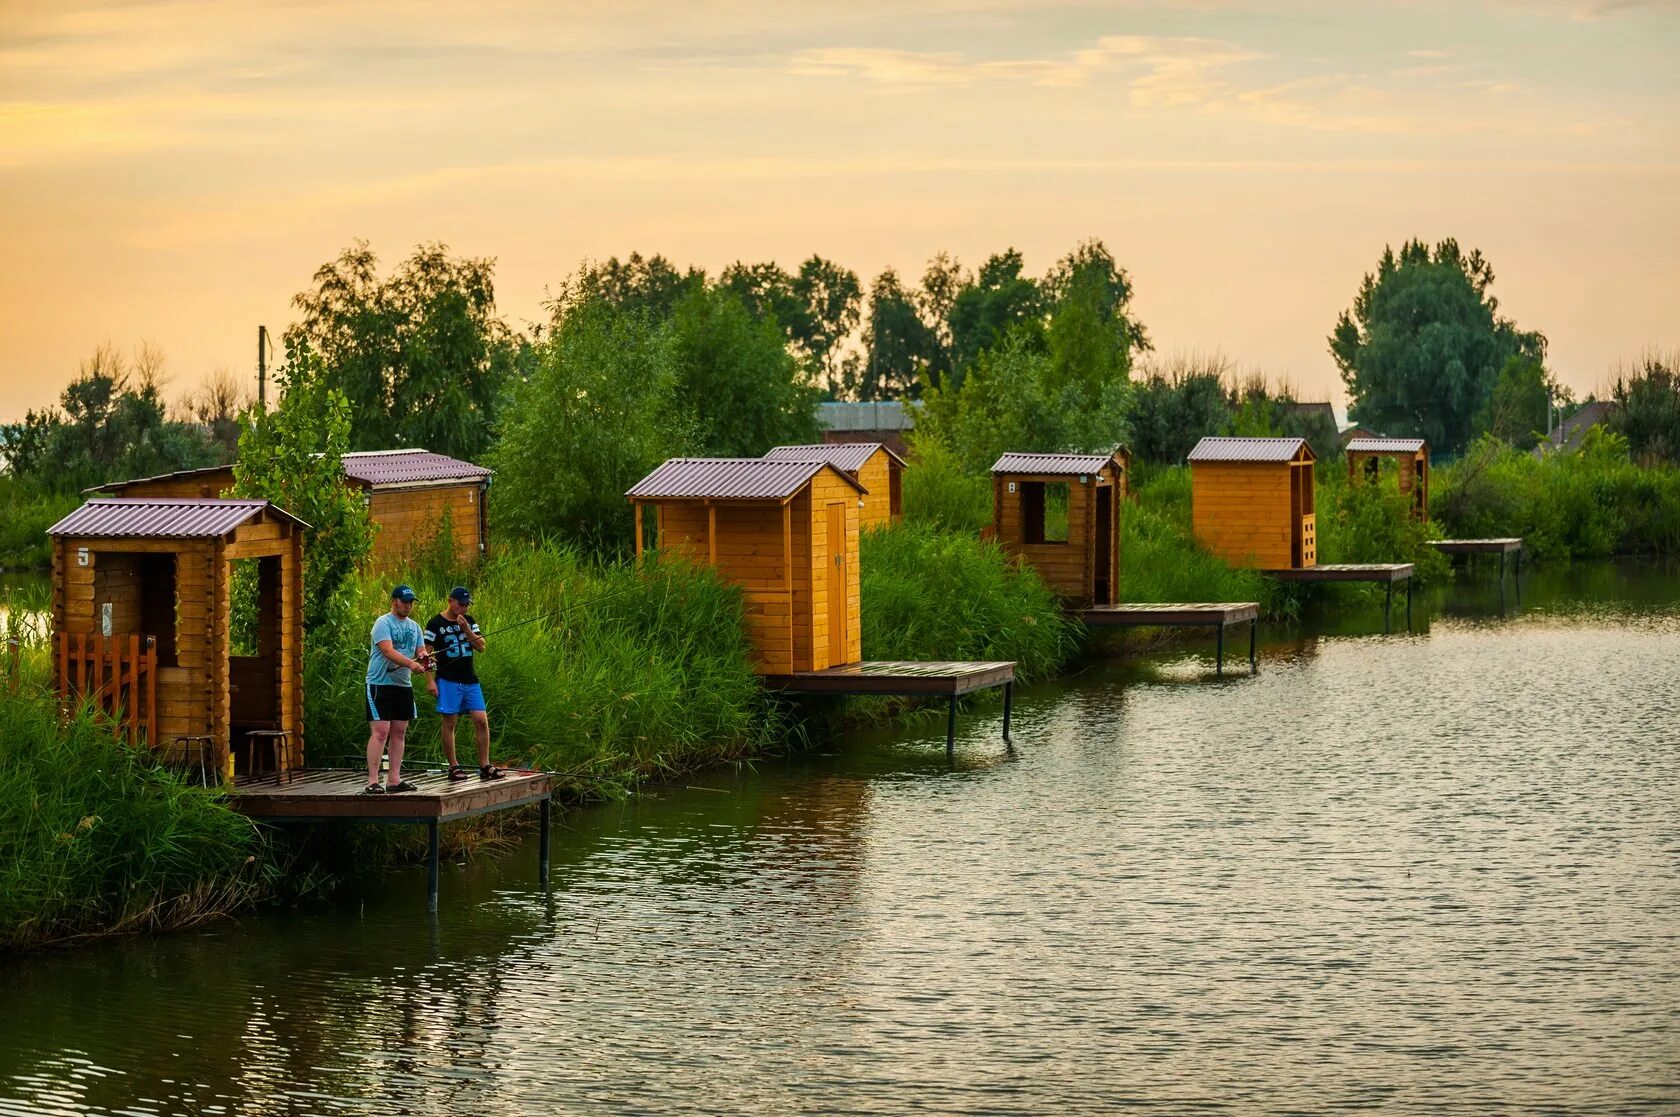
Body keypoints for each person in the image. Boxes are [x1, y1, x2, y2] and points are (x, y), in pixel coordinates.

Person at [424, 586, 504, 781]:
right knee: (450, 722)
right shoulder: (435, 623)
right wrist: (430, 681)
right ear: (450, 601)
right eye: (461, 604)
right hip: (447, 679)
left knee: (481, 720)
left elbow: (481, 646)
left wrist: (466, 629)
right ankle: (453, 766)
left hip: (470, 679)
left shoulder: (469, 621)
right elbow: (424, 655)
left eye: (467, 605)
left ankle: (485, 765)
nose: (464, 608)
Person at [364, 584, 431, 794]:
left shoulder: (415, 627)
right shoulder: (383, 623)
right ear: (394, 601)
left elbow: (420, 650)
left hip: (403, 685)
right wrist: (411, 664)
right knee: (381, 732)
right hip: (379, 684)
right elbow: (388, 651)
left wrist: (423, 658)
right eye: (405, 601)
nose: (408, 606)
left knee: (399, 732)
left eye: (411, 602)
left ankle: (394, 780)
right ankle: (372, 782)